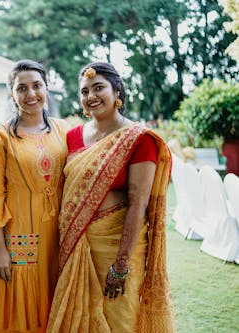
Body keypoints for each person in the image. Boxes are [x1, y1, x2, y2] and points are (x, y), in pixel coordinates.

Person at [47, 62, 176, 332]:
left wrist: (121, 264)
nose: (91, 96)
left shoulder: (140, 140)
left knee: (119, 322)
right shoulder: (72, 137)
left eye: (98, 88)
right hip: (76, 244)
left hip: (118, 248)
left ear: (117, 91)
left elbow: (138, 204)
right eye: (84, 91)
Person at [0, 60, 68, 333]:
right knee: (23, 311)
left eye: (37, 86)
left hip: (58, 235)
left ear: (47, 88)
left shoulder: (62, 130)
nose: (31, 94)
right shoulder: (1, 136)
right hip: (19, 236)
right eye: (22, 88)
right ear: (11, 93)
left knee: (56, 300)